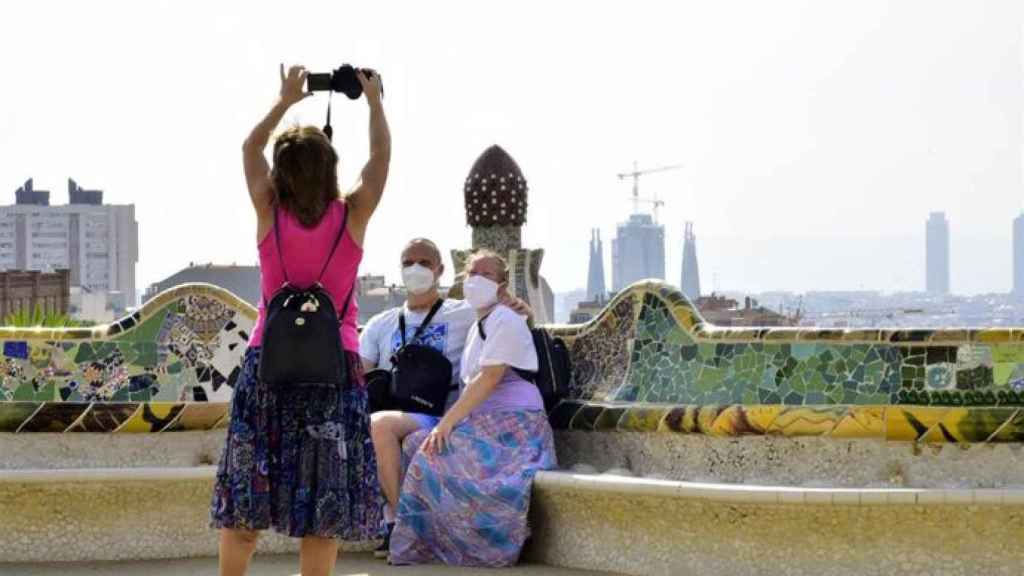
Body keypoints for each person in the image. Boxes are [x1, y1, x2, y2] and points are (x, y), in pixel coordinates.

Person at [210, 63, 389, 576]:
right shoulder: (353, 215)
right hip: (334, 374)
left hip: (268, 369)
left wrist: (285, 100)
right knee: (322, 512)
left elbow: (250, 147)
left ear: (281, 173)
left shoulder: (268, 212)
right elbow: (379, 159)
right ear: (331, 169)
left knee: (246, 500)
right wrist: (374, 103)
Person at [360, 238, 530, 561]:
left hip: (441, 414)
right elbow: (359, 374)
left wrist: (521, 308)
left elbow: (510, 318)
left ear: (439, 270)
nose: (416, 269)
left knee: (379, 426)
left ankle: (401, 525)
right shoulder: (380, 325)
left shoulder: (463, 312)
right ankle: (399, 521)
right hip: (396, 411)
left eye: (424, 263)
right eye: (408, 262)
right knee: (375, 425)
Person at [388, 250, 558, 567]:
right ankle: (431, 540)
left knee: (430, 451)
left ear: (502, 285)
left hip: (514, 425)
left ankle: (474, 545)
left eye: (486, 274)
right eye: (471, 273)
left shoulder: (504, 319)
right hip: (485, 421)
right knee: (414, 444)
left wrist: (446, 423)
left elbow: (490, 377)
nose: (476, 280)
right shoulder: (480, 322)